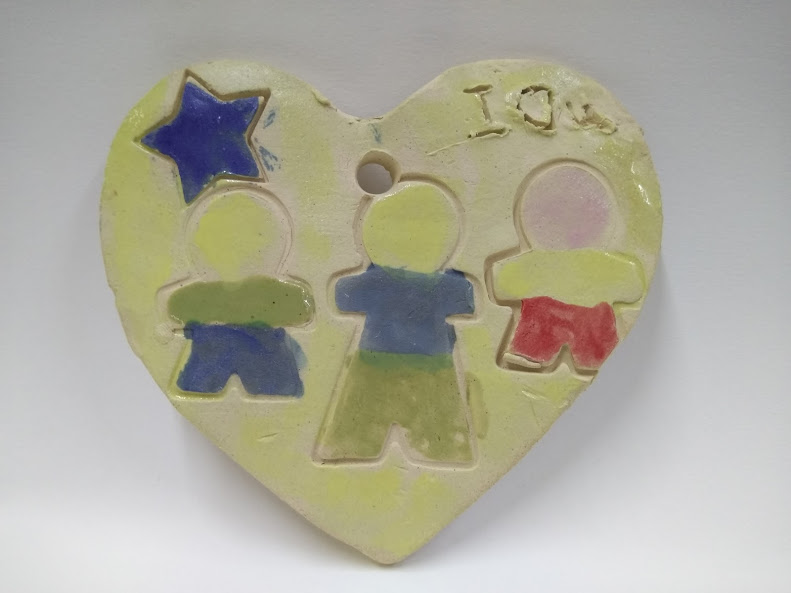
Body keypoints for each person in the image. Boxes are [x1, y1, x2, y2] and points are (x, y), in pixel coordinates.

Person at [315, 182, 476, 463]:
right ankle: (444, 452)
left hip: (373, 366)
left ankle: (351, 449)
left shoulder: (372, 283)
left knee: (356, 434)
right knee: (441, 438)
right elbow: (467, 300)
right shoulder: (448, 287)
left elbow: (342, 295)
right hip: (434, 368)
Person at [490, 164, 644, 371]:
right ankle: (536, 352)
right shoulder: (605, 265)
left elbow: (502, 283)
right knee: (544, 313)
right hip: (561, 321)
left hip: (586, 323)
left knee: (557, 315)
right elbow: (633, 287)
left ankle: (535, 352)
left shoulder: (537, 263)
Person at [165, 188, 313, 396]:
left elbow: (301, 310)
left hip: (259, 361)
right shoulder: (192, 297)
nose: (235, 254)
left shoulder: (192, 298)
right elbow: (176, 310)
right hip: (223, 358)